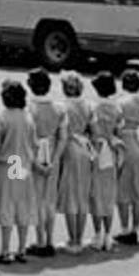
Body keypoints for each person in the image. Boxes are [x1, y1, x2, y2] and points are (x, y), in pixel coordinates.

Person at [0, 78, 37, 264]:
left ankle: (5, 250)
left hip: (7, 164)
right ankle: (21, 248)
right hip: (22, 163)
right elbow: (33, 143)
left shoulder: (1, 116)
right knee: (22, 205)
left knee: (7, 206)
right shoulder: (27, 116)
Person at [27, 68, 67, 257]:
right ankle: (50, 239)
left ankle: (40, 239)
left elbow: (25, 138)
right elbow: (63, 137)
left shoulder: (29, 109)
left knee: (37, 199)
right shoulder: (59, 108)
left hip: (35, 153)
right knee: (50, 199)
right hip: (52, 152)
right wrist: (56, 159)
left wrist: (34, 162)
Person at [114, 68, 139, 245]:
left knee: (123, 190)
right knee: (138, 190)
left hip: (127, 144)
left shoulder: (120, 103)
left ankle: (124, 228)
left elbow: (116, 127)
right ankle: (135, 229)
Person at [56, 72, 94, 253]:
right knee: (82, 196)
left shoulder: (63, 107)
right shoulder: (88, 105)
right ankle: (80, 237)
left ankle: (73, 240)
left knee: (70, 196)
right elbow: (92, 129)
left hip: (70, 147)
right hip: (85, 147)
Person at [88, 70, 123, 250]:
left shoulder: (94, 108)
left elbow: (90, 130)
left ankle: (97, 233)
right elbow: (118, 130)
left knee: (96, 194)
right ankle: (108, 234)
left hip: (97, 150)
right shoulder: (117, 108)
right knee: (109, 194)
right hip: (112, 150)